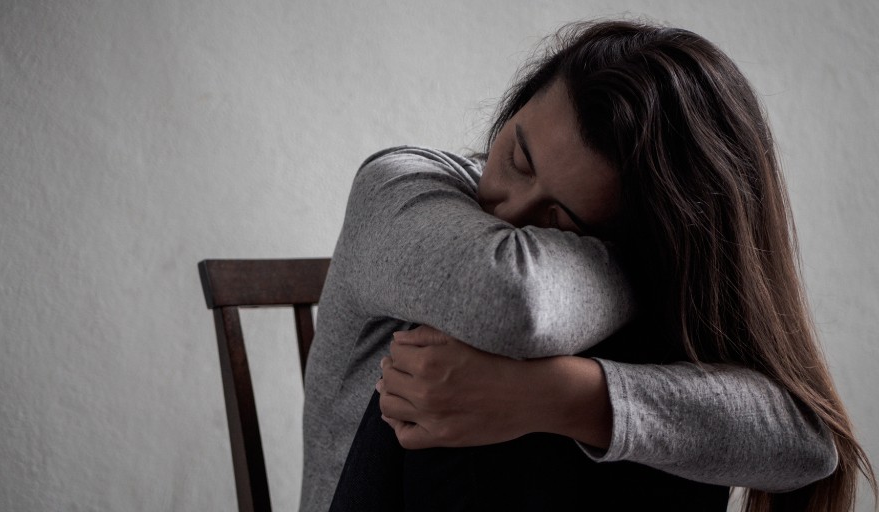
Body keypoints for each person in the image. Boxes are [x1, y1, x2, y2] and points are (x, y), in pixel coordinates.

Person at [300, 20, 875, 511]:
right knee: (464, 343)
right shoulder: (401, 188)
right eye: (517, 158)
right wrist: (649, 269)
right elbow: (509, 300)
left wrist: (555, 397)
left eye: (562, 220)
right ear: (517, 103)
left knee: (666, 409)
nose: (510, 210)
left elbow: (806, 444)